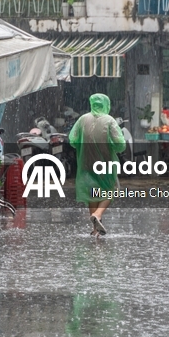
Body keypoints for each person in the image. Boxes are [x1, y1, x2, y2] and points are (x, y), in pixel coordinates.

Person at [69, 93, 126, 235]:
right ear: (106, 105)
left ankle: (95, 229)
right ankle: (98, 215)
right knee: (111, 189)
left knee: (91, 192)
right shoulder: (109, 120)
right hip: (105, 163)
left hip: (86, 162)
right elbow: (120, 144)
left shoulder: (82, 119)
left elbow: (73, 139)